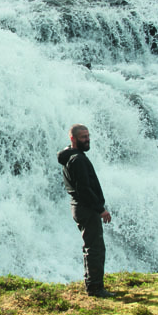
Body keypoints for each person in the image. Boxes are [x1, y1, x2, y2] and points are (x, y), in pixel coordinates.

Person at [57, 124, 115, 298]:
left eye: (88, 136)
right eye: (83, 137)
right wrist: (100, 209)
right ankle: (95, 288)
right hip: (87, 209)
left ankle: (94, 285)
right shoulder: (78, 160)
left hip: (79, 207)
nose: (87, 139)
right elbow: (84, 189)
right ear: (73, 139)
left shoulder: (70, 156)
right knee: (95, 248)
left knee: (92, 247)